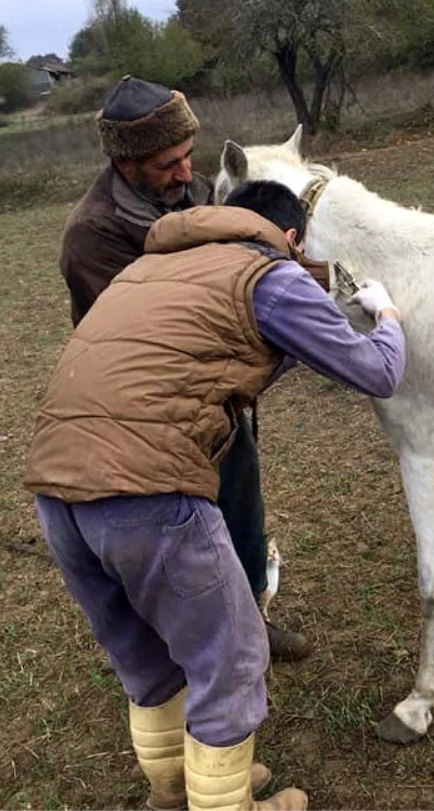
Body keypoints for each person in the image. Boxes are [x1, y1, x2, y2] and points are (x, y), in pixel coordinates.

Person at [25, 179, 406, 810]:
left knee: (146, 657)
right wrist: (386, 313)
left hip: (57, 489)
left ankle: (175, 790)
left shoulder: (149, 269)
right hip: (148, 492)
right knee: (229, 661)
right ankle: (225, 801)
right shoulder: (268, 276)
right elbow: (377, 372)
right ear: (290, 239)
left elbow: (211, 358)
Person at [59, 75, 319, 662]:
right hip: (149, 413)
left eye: (187, 157)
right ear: (125, 164)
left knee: (241, 507)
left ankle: (252, 618)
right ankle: (186, 648)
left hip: (218, 399)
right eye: (165, 164)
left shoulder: (198, 192)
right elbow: (132, 336)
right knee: (177, 534)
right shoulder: (93, 234)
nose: (184, 174)